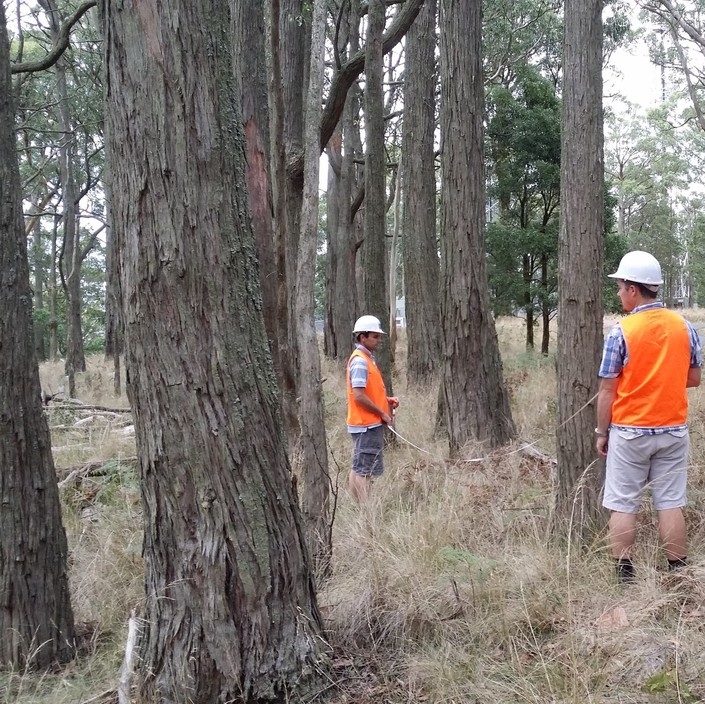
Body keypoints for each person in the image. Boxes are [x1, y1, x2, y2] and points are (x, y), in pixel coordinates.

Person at [596, 251, 702, 583]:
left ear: (632, 289)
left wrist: (602, 432)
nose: (618, 293)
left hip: (629, 432)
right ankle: (679, 572)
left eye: (620, 287)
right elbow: (694, 379)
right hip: (673, 429)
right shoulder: (684, 326)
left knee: (623, 502)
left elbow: (607, 390)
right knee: (670, 501)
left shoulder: (621, 331)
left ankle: (625, 577)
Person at [346, 315, 399, 501]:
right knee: (364, 471)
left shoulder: (365, 359)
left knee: (358, 467)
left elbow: (367, 391)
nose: (379, 340)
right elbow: (359, 395)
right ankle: (366, 510)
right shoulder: (360, 361)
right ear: (362, 337)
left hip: (365, 422)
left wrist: (385, 400)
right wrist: (383, 413)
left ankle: (360, 508)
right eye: (375, 336)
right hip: (366, 424)